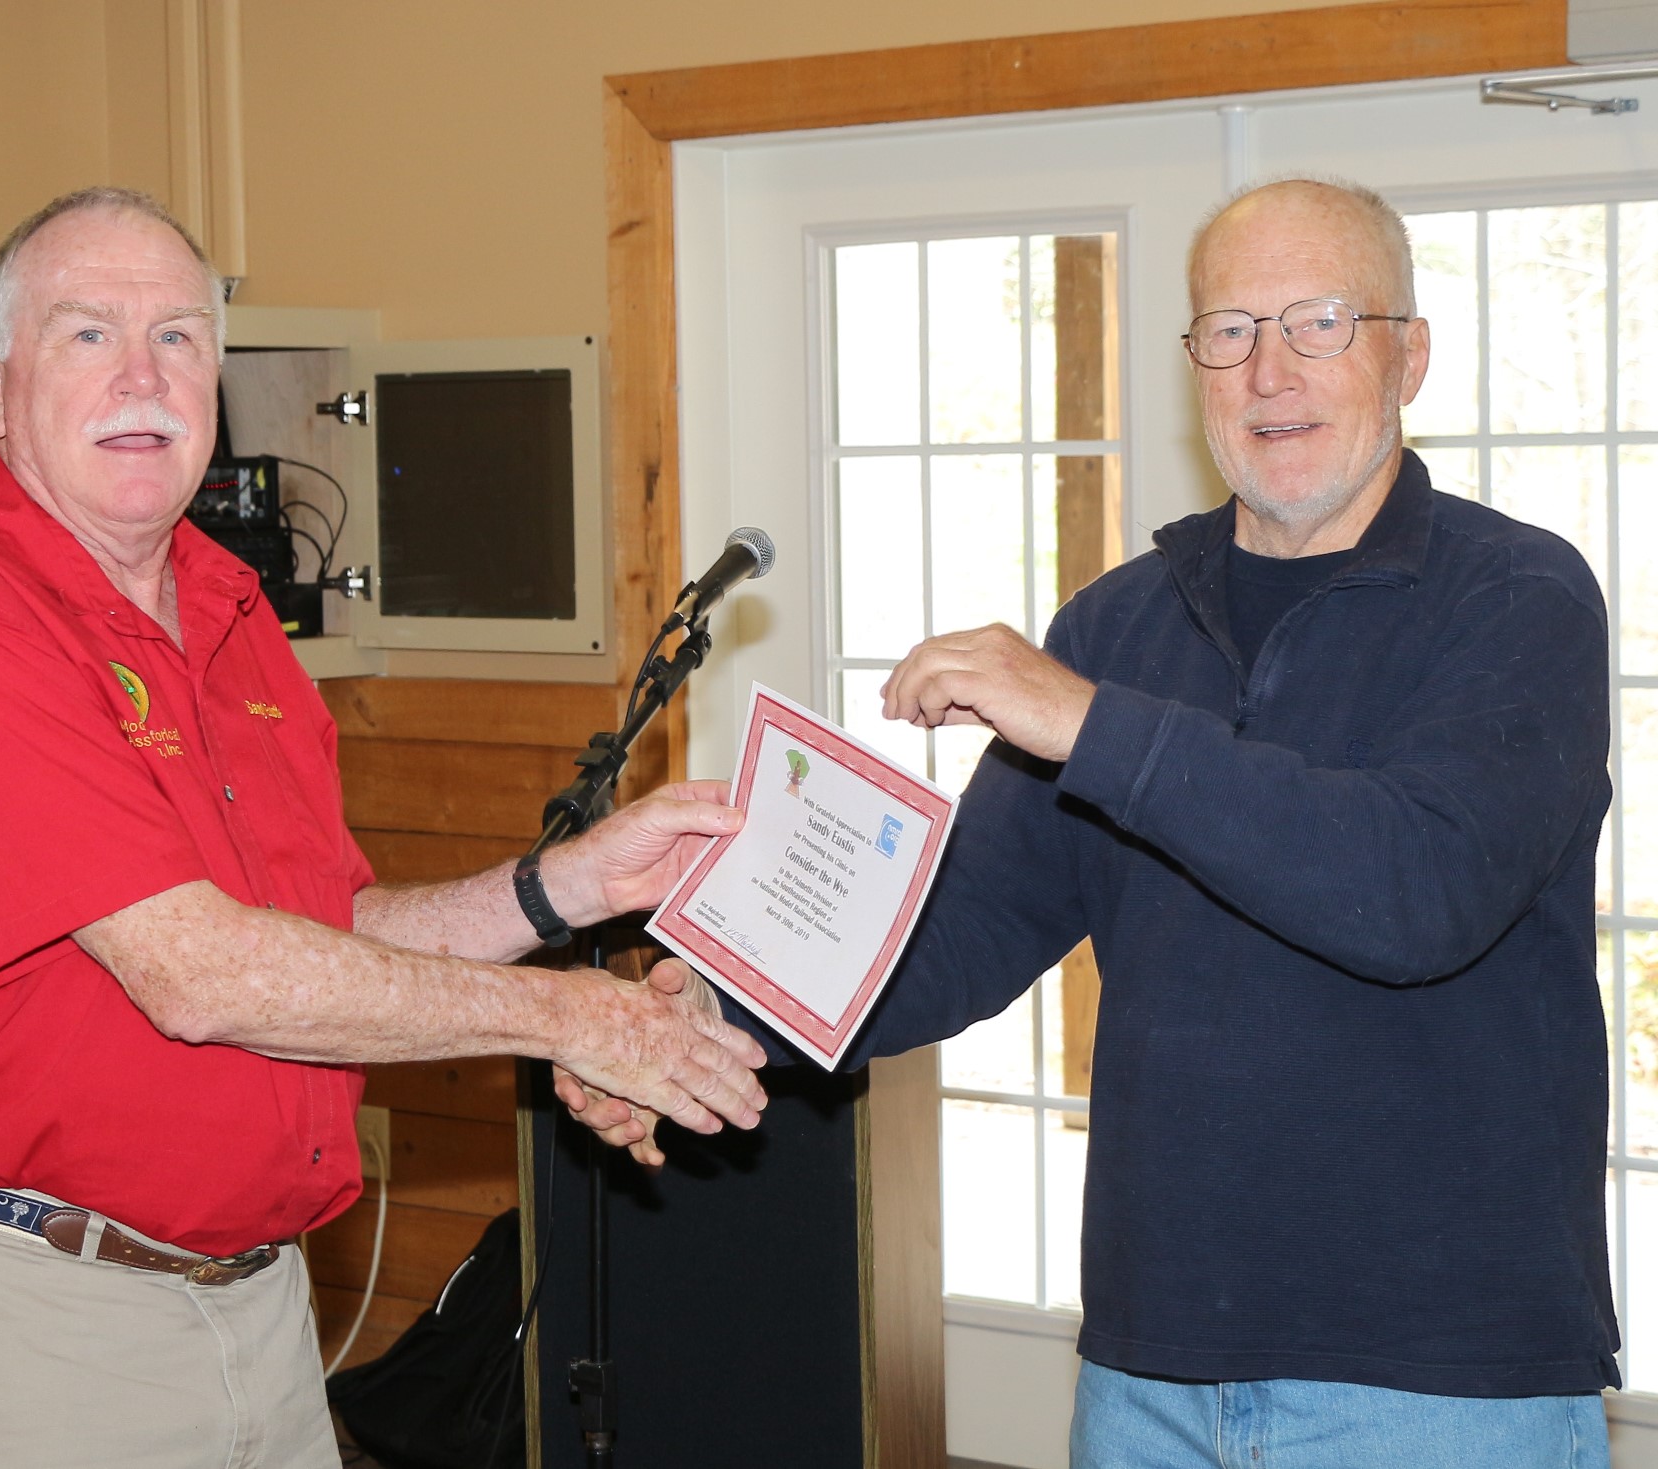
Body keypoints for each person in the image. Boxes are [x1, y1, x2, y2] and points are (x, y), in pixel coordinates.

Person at [570, 178, 1619, 1466]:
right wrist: (705, 1006)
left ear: (1407, 354)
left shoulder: (1517, 596)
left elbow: (1415, 890)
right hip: (1145, 1374)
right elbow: (955, 933)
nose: (1268, 370)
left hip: (1436, 1383)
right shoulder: (1118, 624)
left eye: (1318, 322)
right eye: (1227, 330)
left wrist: (1090, 723)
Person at [0, 185, 767, 1469]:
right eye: (87, 334)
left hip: (257, 1308)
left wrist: (564, 889)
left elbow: (323, 930)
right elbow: (200, 971)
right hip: (22, 1317)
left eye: (178, 336)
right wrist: (572, 1018)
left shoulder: (229, 606)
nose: (142, 375)